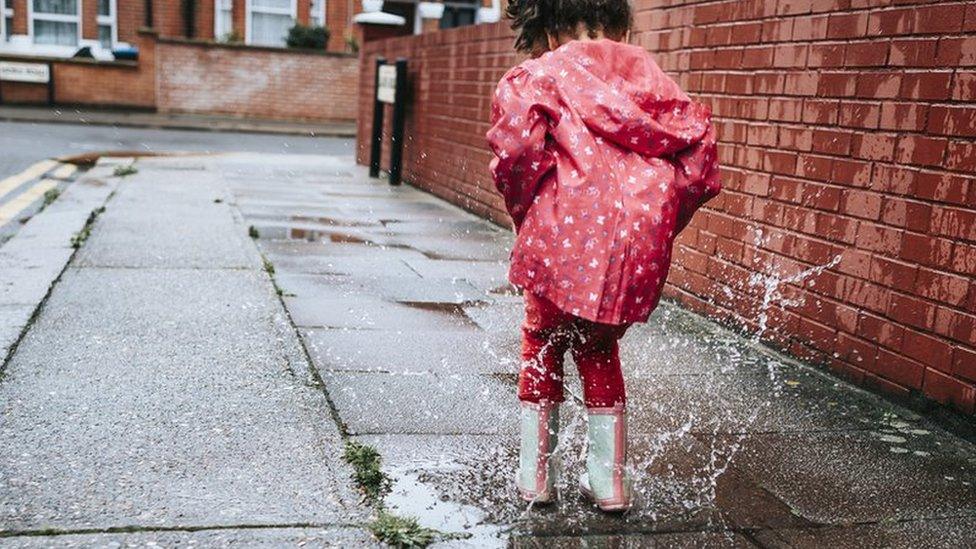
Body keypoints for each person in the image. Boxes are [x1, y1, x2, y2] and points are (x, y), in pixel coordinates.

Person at [486, 0, 721, 512]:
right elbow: (699, 168)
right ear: (618, 24)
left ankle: (535, 477)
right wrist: (660, 218)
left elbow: (517, 154)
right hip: (629, 247)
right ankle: (608, 483)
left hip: (559, 233)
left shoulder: (539, 76)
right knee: (598, 349)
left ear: (545, 29)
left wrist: (524, 208)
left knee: (542, 342)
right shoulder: (654, 82)